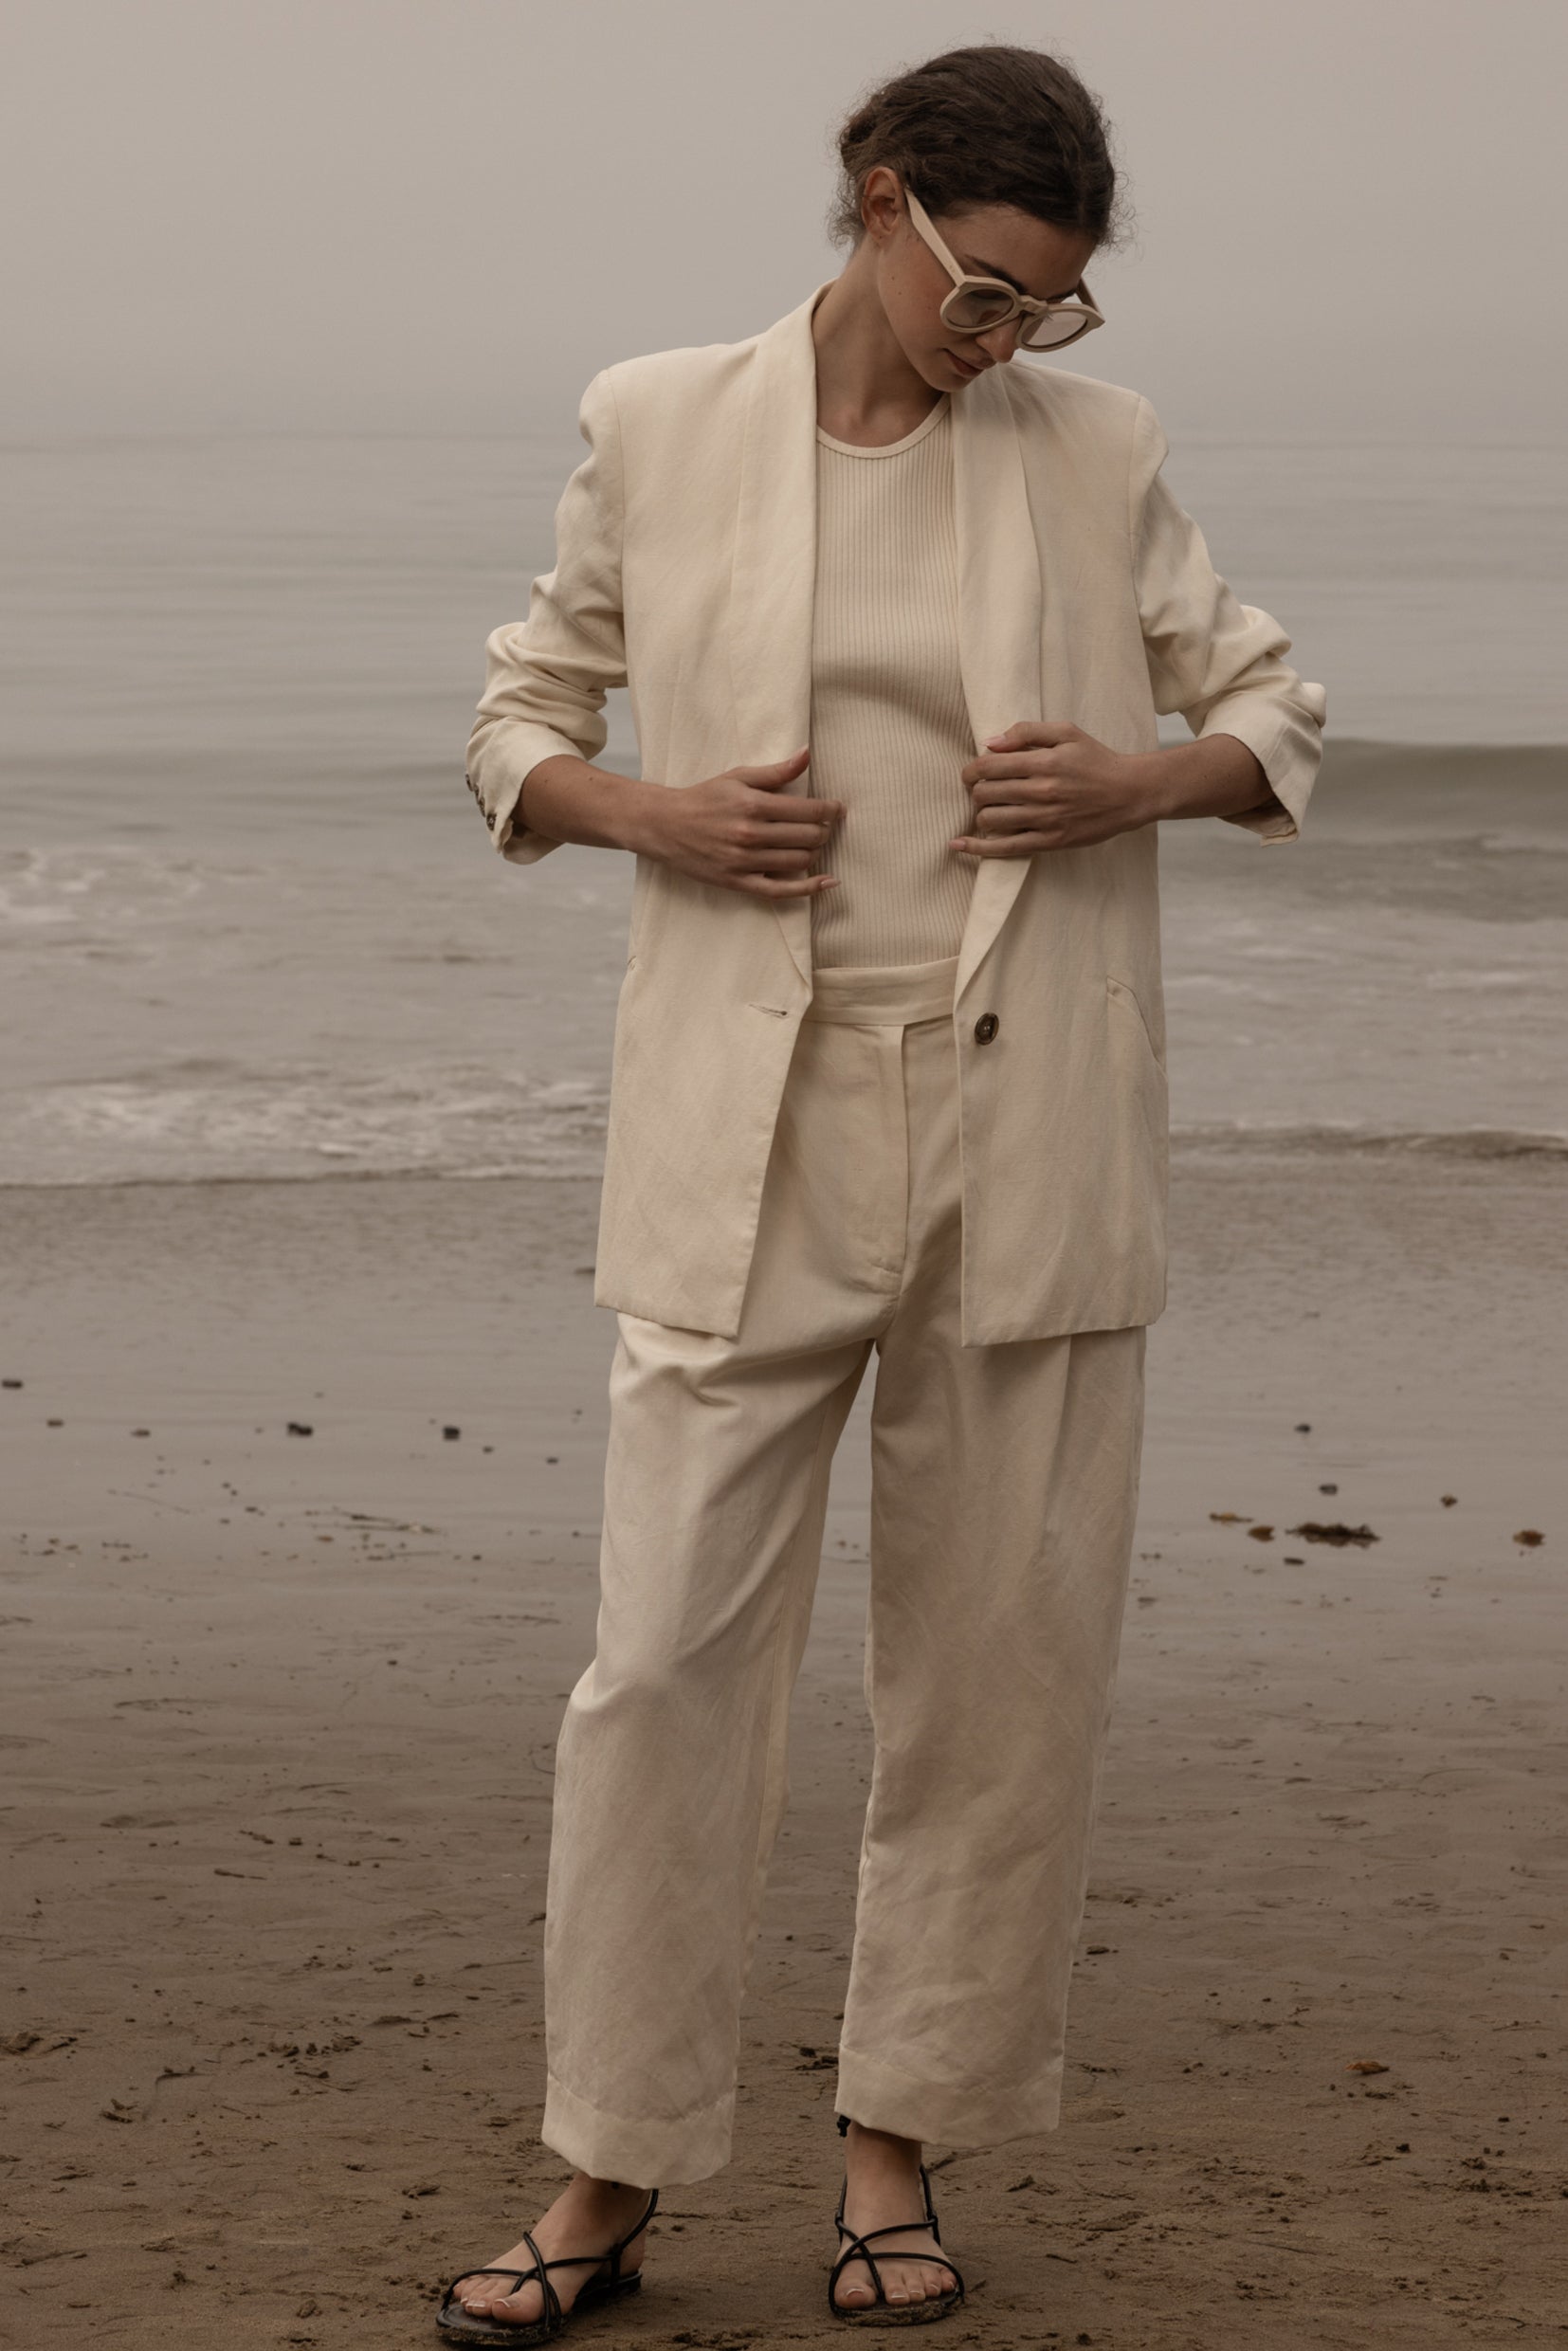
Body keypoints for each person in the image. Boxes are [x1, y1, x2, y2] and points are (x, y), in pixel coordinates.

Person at [439, 40, 1325, 2342]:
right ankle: (608, 2164)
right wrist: (652, 816)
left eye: (1047, 307)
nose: (1002, 336)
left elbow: (1271, 712)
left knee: (991, 1679)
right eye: (983, 287)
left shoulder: (1093, 449)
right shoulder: (656, 419)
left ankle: (892, 2147)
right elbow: (515, 721)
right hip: (746, 1130)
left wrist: (1135, 779)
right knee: (657, 1670)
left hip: (1029, 1134)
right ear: (878, 199)